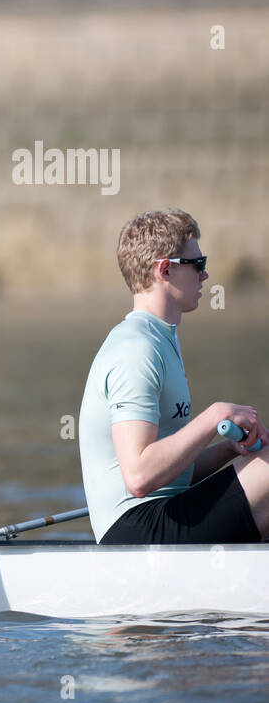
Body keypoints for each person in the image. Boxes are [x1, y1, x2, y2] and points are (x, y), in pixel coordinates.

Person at [79, 210, 269, 544]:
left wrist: (229, 449)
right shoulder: (135, 350)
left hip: (161, 513)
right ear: (165, 269)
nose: (205, 274)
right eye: (197, 264)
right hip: (133, 532)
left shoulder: (161, 338)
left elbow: (174, 472)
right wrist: (215, 416)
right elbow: (139, 476)